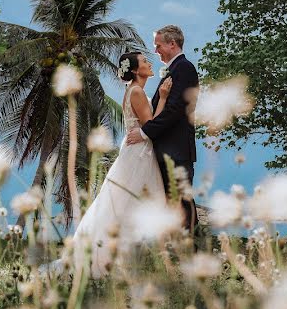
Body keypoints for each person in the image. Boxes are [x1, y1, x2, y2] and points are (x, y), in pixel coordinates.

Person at [71, 51, 171, 276]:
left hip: (136, 148)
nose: (149, 62)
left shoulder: (135, 91)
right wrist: (163, 97)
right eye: (145, 61)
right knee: (137, 202)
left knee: (126, 203)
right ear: (135, 70)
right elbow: (151, 124)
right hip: (139, 153)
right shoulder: (136, 91)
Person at [126, 25, 199, 232]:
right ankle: (180, 252)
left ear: (172, 44)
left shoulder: (183, 68)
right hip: (168, 151)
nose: (156, 50)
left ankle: (189, 252)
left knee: (182, 207)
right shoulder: (174, 70)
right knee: (175, 205)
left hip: (175, 151)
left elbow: (175, 110)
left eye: (158, 45)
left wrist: (143, 132)